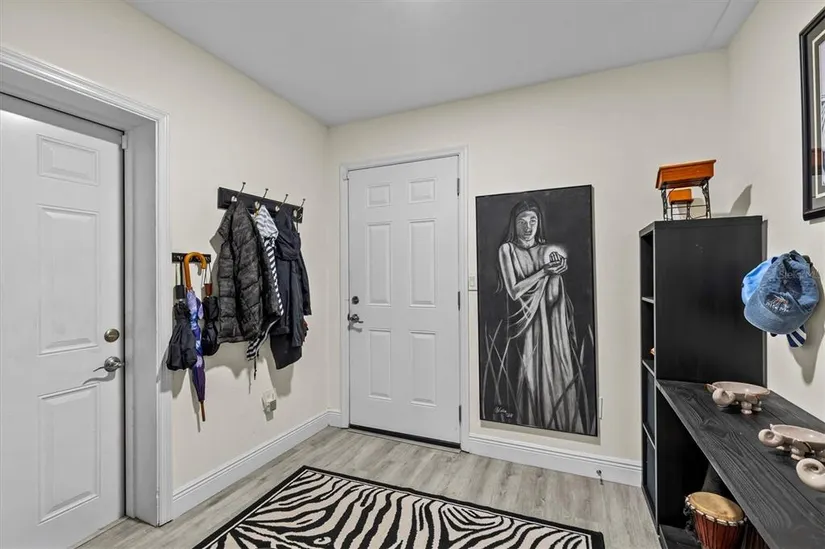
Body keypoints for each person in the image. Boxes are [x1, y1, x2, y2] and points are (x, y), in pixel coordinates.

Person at [497, 199, 586, 434]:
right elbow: (514, 291)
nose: (528, 227)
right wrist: (544, 272)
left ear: (539, 223)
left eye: (533, 221)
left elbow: (555, 282)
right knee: (530, 376)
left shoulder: (547, 250)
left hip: (551, 324)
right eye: (522, 221)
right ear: (514, 223)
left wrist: (556, 271)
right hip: (524, 326)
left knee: (556, 370)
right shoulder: (507, 250)